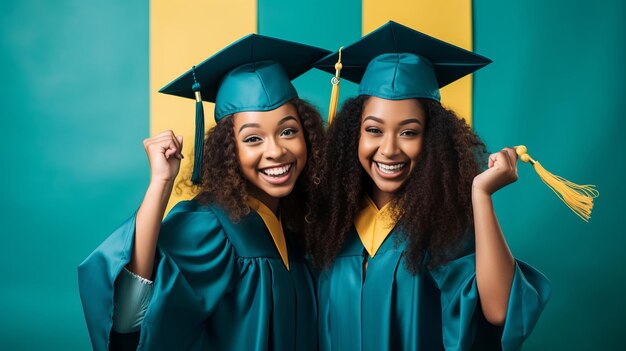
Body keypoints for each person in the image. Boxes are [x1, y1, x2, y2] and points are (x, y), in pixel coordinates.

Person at [310, 21, 551, 351]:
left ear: (433, 140)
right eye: (374, 130)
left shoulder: (444, 226)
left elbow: (500, 313)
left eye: (408, 132)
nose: (389, 148)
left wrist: (481, 195)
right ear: (355, 134)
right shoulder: (333, 226)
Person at [78, 34, 328, 351]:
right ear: (229, 150)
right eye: (253, 139)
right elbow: (131, 319)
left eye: (288, 131)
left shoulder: (297, 226)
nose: (276, 151)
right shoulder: (212, 228)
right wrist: (160, 184)